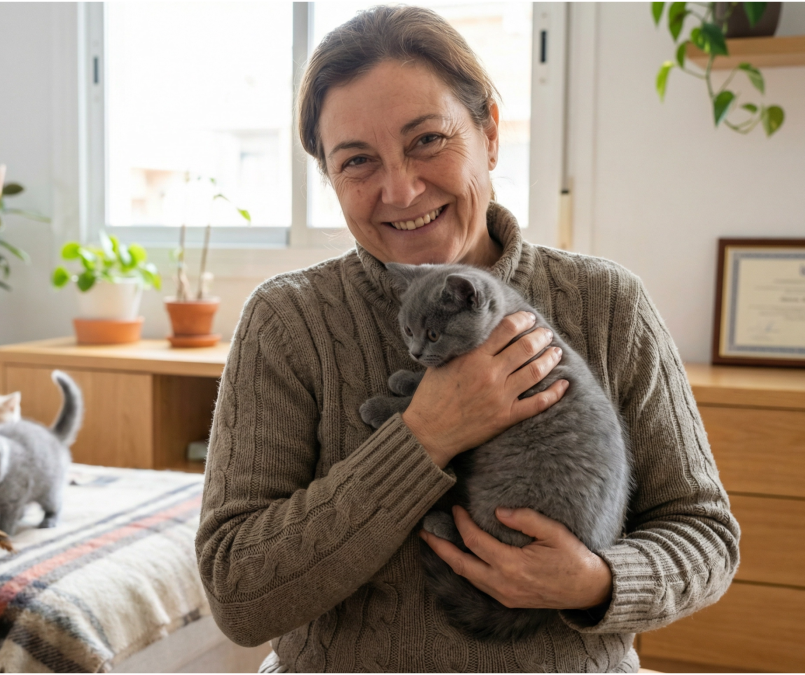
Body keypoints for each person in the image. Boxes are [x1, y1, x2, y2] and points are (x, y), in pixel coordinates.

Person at [196, 6, 739, 673]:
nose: (400, 188)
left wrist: (598, 579)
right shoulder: (288, 321)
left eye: (427, 140)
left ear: (489, 135)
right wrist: (424, 436)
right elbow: (237, 594)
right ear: (331, 180)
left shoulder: (606, 304)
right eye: (358, 161)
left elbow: (706, 535)